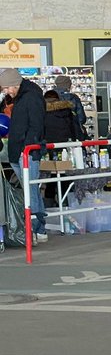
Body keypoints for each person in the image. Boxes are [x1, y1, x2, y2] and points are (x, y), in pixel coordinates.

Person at [0, 67, 48, 242]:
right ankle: (38, 228)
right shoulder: (23, 96)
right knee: (30, 190)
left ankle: (35, 229)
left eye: (6, 88)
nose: (5, 92)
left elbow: (36, 124)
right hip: (20, 151)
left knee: (30, 191)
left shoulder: (31, 97)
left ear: (14, 85)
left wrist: (25, 148)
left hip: (25, 151)